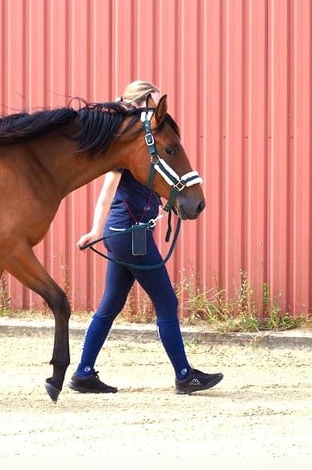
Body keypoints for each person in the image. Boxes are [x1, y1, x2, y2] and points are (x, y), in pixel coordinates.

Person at [68, 80, 223, 395]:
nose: (155, 112)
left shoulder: (139, 144)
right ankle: (184, 375)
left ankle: (83, 373)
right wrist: (96, 229)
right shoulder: (128, 146)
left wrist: (101, 230)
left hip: (124, 231)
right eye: (152, 103)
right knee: (166, 301)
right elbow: (107, 192)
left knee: (110, 304)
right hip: (131, 233)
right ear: (142, 105)